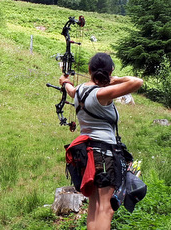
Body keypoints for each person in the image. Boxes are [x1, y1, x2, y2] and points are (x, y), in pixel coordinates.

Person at [59, 53, 143, 230]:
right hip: (104, 156)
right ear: (110, 71)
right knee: (106, 209)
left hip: (86, 154)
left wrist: (65, 82)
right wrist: (115, 79)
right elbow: (137, 82)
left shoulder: (79, 91)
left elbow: (70, 90)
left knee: (94, 206)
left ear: (89, 70)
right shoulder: (102, 94)